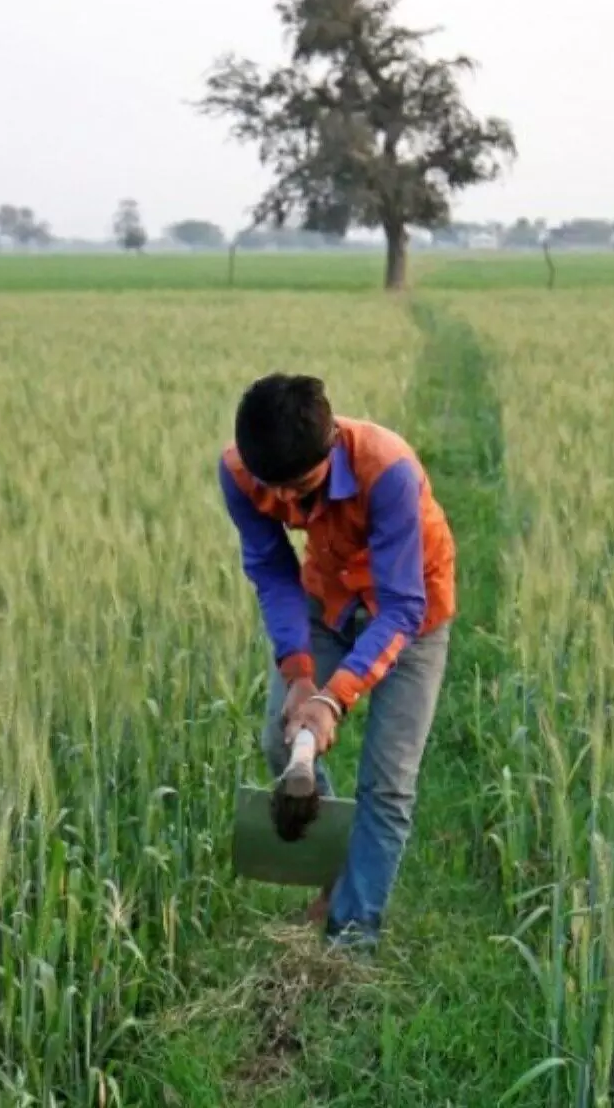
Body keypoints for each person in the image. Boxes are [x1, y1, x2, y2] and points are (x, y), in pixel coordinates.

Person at [217, 372, 455, 948]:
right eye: (274, 491)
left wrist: (332, 698)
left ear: (329, 447)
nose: (288, 504)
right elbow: (272, 571)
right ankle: (336, 881)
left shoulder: (388, 470)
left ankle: (353, 936)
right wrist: (300, 675)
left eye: (301, 487)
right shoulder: (237, 474)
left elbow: (400, 606)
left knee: (389, 784)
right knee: (281, 740)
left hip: (412, 612)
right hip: (329, 602)